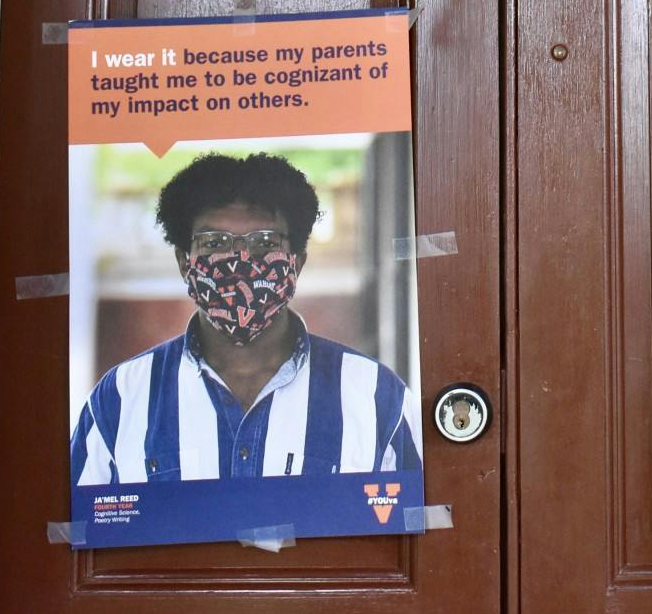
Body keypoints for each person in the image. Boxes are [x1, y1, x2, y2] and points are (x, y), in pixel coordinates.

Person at [71, 151, 420, 485]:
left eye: (264, 242)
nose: (239, 259)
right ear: (184, 262)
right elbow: (78, 537)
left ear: (296, 261)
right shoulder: (121, 399)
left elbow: (417, 534)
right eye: (214, 242)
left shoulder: (375, 397)